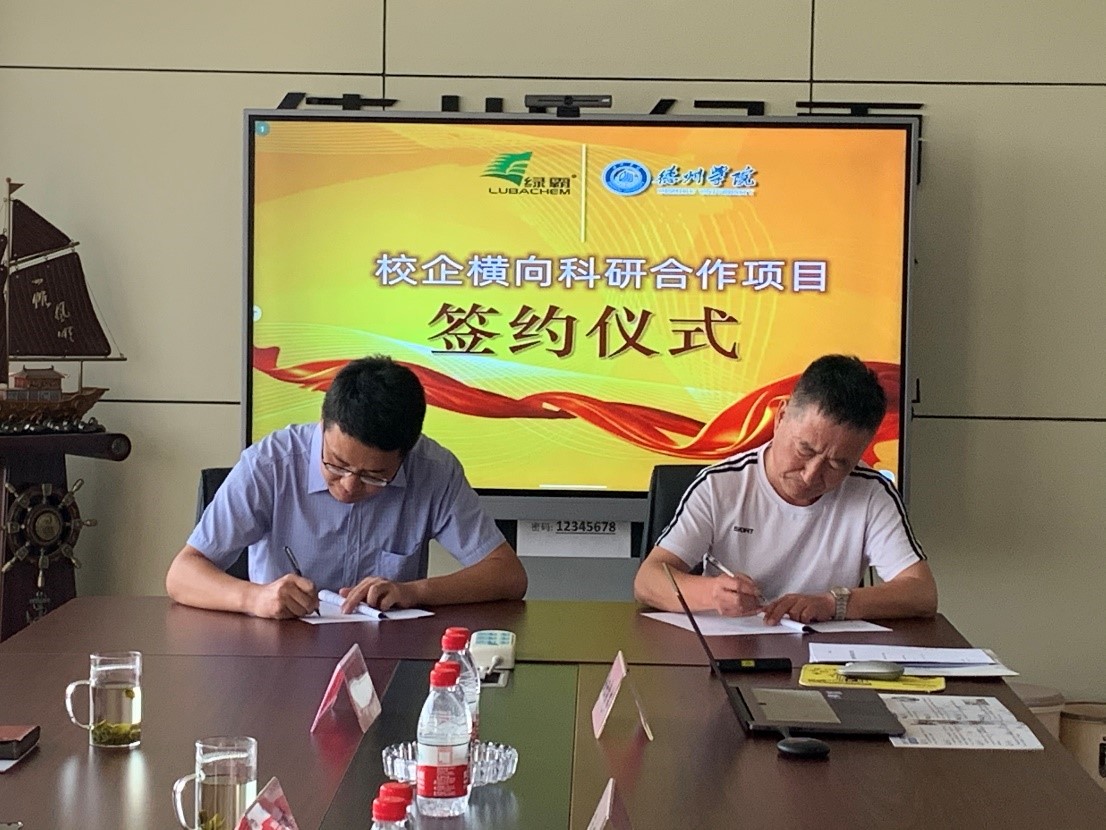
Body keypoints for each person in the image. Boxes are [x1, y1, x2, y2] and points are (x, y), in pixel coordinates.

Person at [166, 355, 527, 619]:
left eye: (374, 475)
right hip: (281, 651)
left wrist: (414, 591)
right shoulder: (270, 464)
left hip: (388, 654)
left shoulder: (433, 470)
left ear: (407, 453)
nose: (349, 485)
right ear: (323, 423)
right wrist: (255, 598)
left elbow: (507, 575)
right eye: (336, 464)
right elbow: (182, 574)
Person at [634, 354, 937, 624]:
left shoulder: (870, 492)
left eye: (837, 464)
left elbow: (922, 592)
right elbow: (647, 581)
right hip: (731, 649)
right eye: (805, 449)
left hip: (823, 655)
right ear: (780, 417)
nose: (811, 475)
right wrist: (712, 593)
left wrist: (833, 604)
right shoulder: (721, 485)